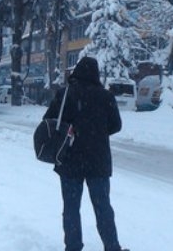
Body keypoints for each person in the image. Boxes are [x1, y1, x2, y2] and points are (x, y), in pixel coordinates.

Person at [43, 57, 128, 251]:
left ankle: (73, 247)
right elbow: (116, 126)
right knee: (103, 207)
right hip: (98, 161)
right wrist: (96, 132)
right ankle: (112, 246)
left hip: (70, 160)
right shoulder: (106, 97)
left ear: (77, 72)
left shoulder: (65, 95)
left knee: (71, 208)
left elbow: (49, 121)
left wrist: (71, 129)